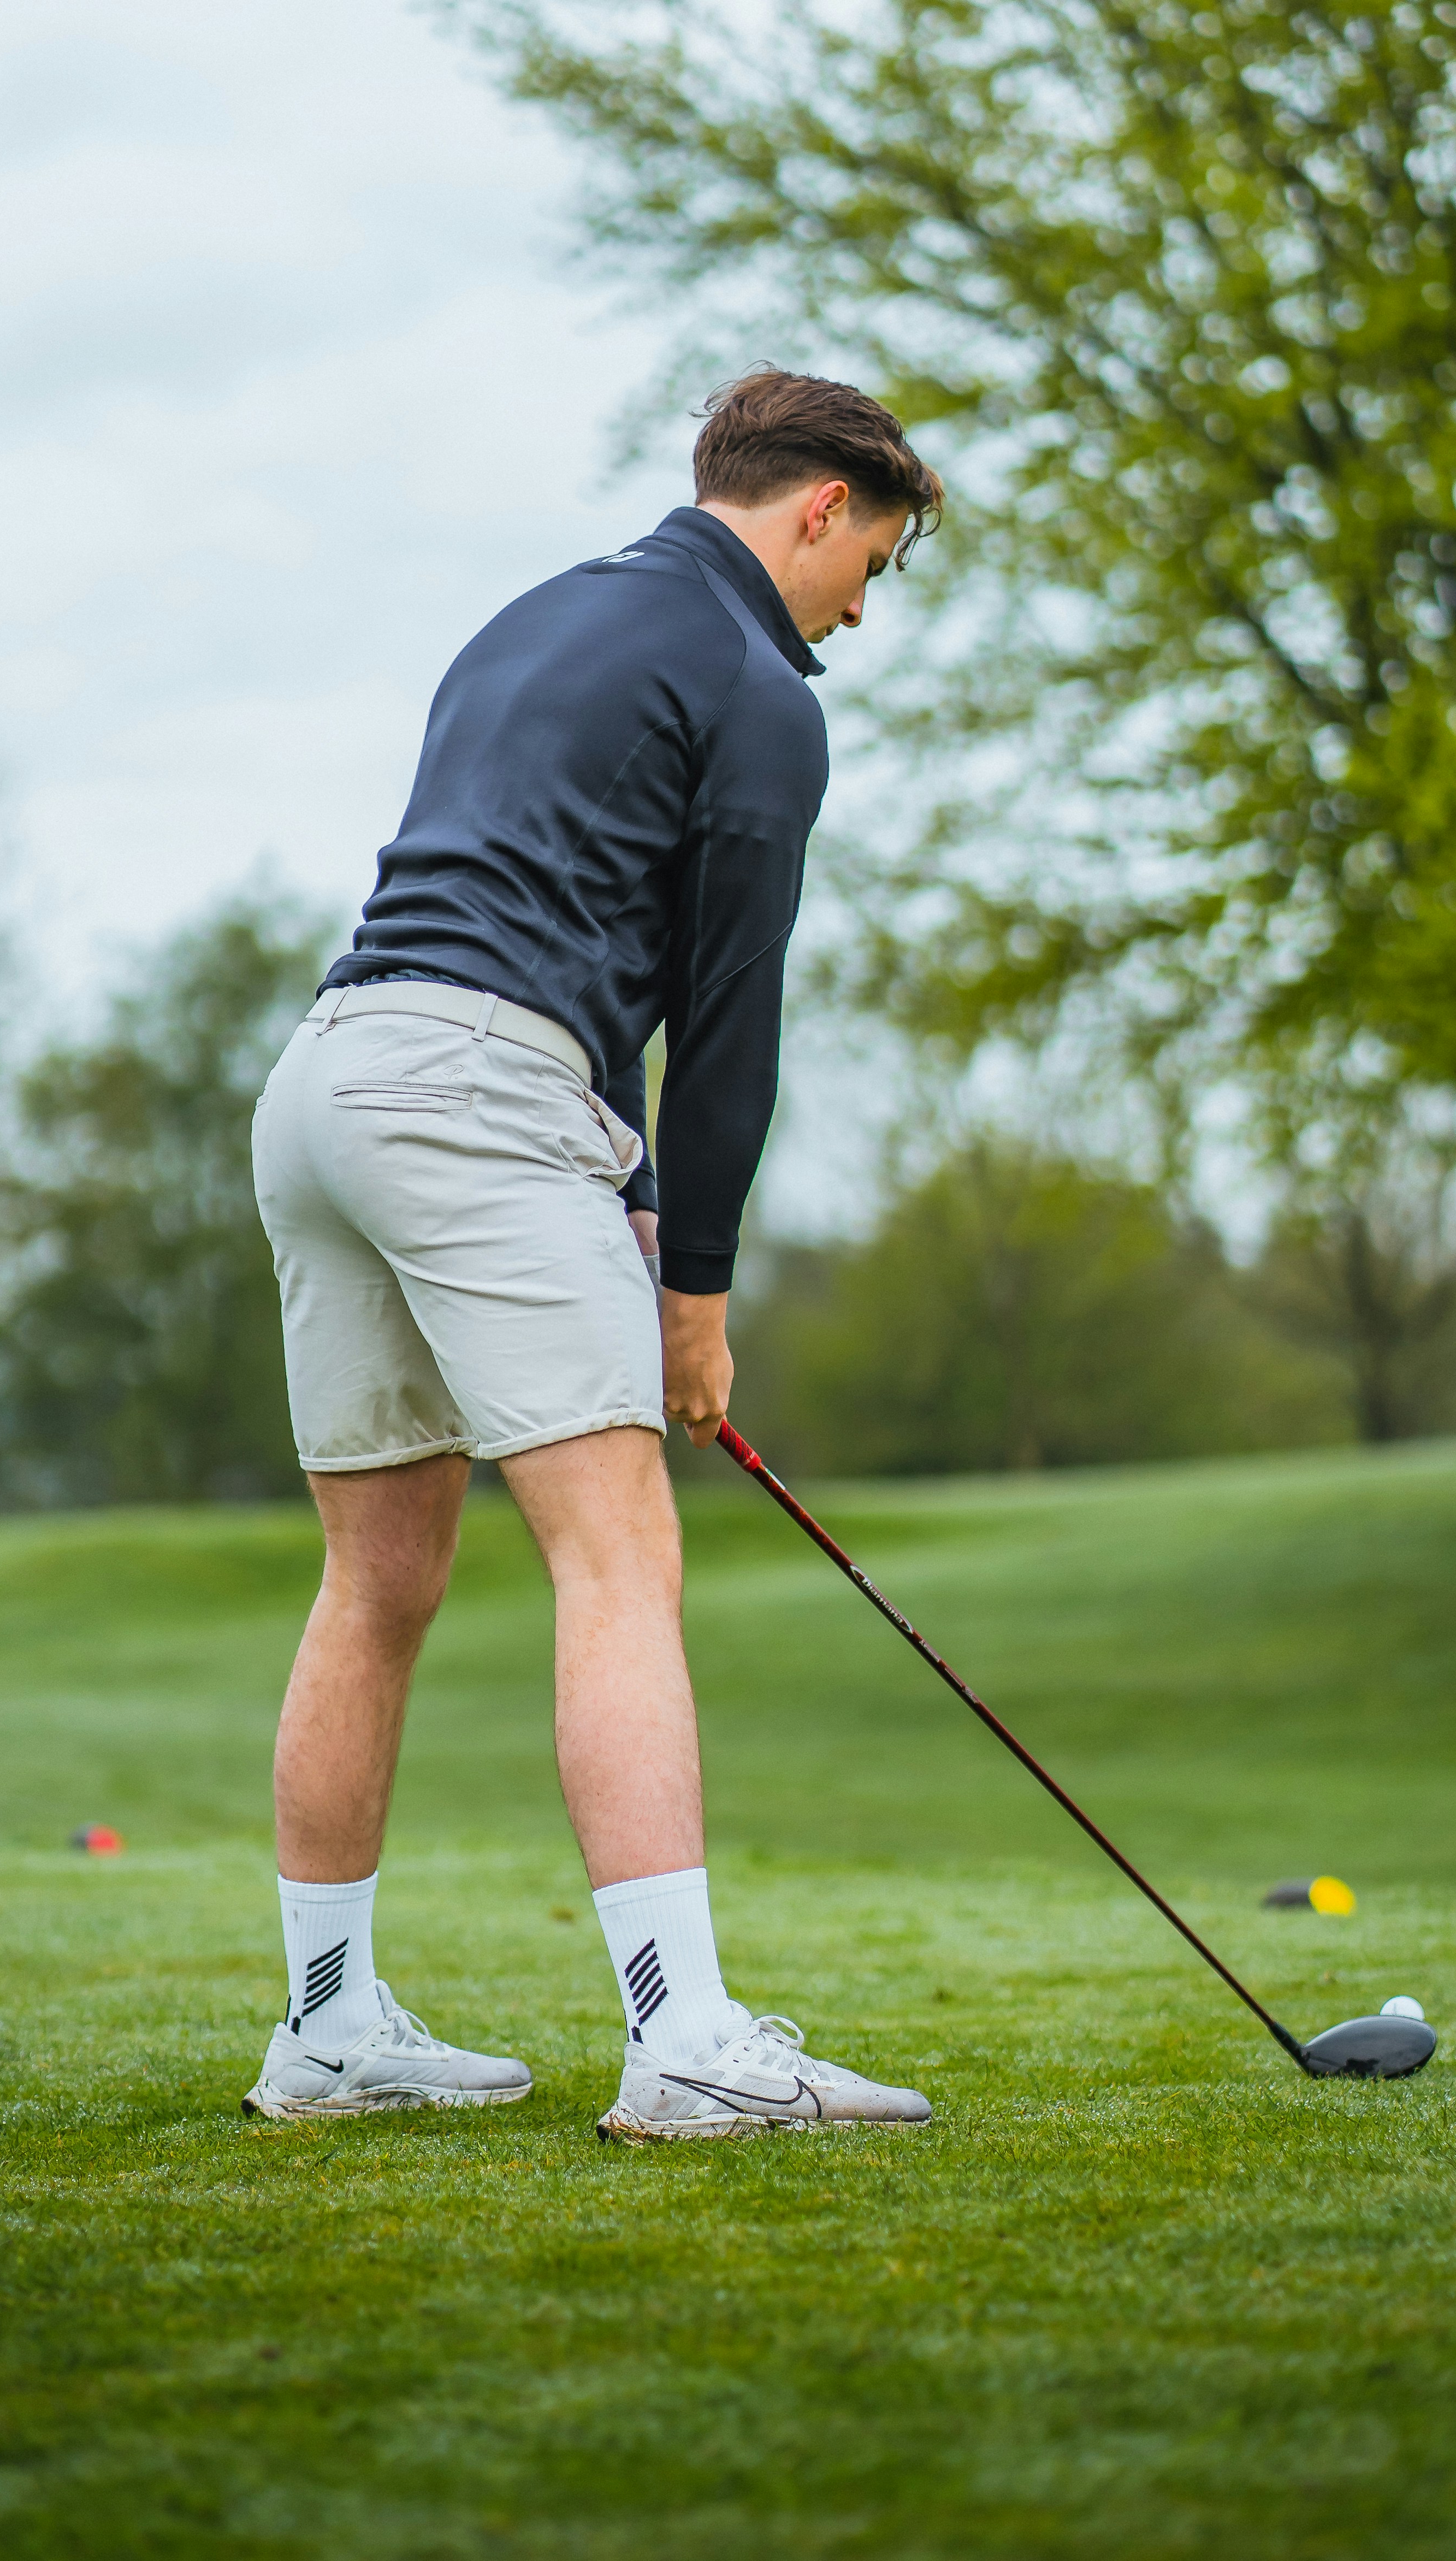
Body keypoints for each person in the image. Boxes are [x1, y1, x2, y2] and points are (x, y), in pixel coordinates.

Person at [244, 369, 943, 2141]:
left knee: (378, 1580)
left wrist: (617, 1179)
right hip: (477, 1094)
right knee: (618, 1550)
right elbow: (728, 1017)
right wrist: (695, 1300)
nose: (862, 608)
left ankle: (326, 2029)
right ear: (819, 507)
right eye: (874, 562)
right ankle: (686, 2038)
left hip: (328, 1081)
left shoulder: (540, 617)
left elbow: (558, 908)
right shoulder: (762, 692)